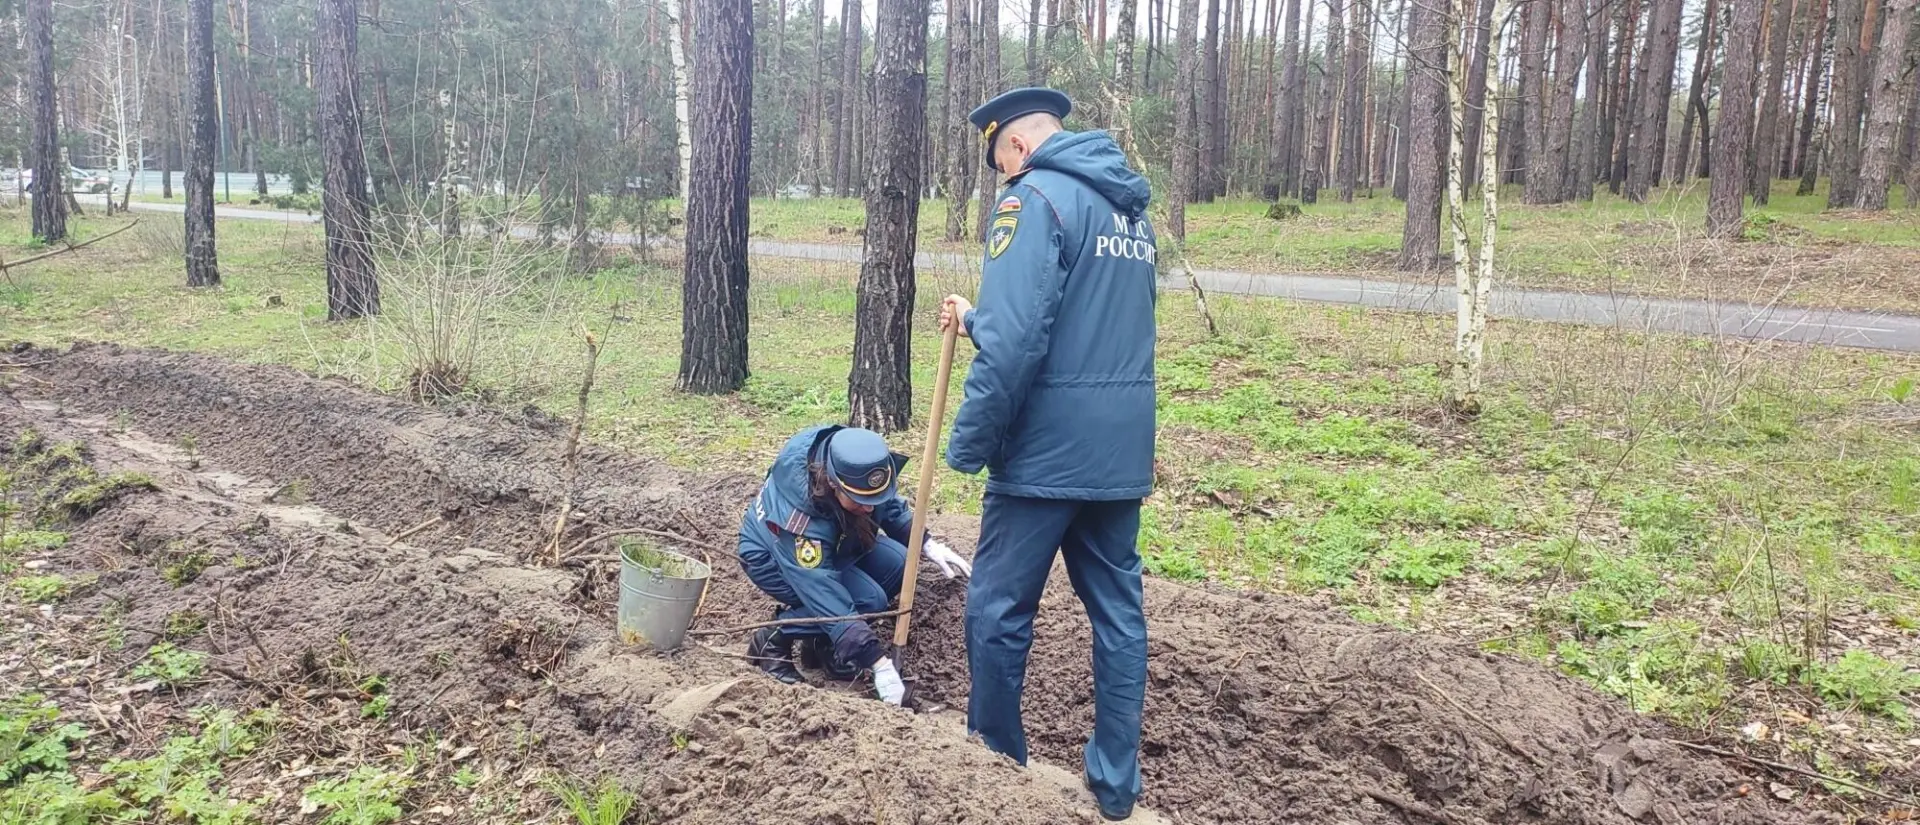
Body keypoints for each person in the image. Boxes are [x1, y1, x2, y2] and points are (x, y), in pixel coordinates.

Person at [939, 87, 1157, 822]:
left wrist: (970, 444)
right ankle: (1115, 786)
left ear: (1019, 147)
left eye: (1001, 160)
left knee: (998, 609)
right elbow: (1079, 325)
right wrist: (977, 317)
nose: (1002, 176)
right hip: (1118, 451)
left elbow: (1014, 346)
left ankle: (995, 766)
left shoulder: (1031, 201)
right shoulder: (1128, 209)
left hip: (1043, 455)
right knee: (1119, 615)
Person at [735, 424, 972, 705]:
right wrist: (878, 662)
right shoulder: (798, 521)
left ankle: (824, 647)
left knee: (898, 564)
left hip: (835, 539)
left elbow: (886, 504)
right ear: (832, 484)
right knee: (869, 600)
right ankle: (773, 639)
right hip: (774, 558)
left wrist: (924, 542)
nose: (870, 509)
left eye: (874, 499)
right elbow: (826, 596)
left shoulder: (854, 463)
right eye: (861, 501)